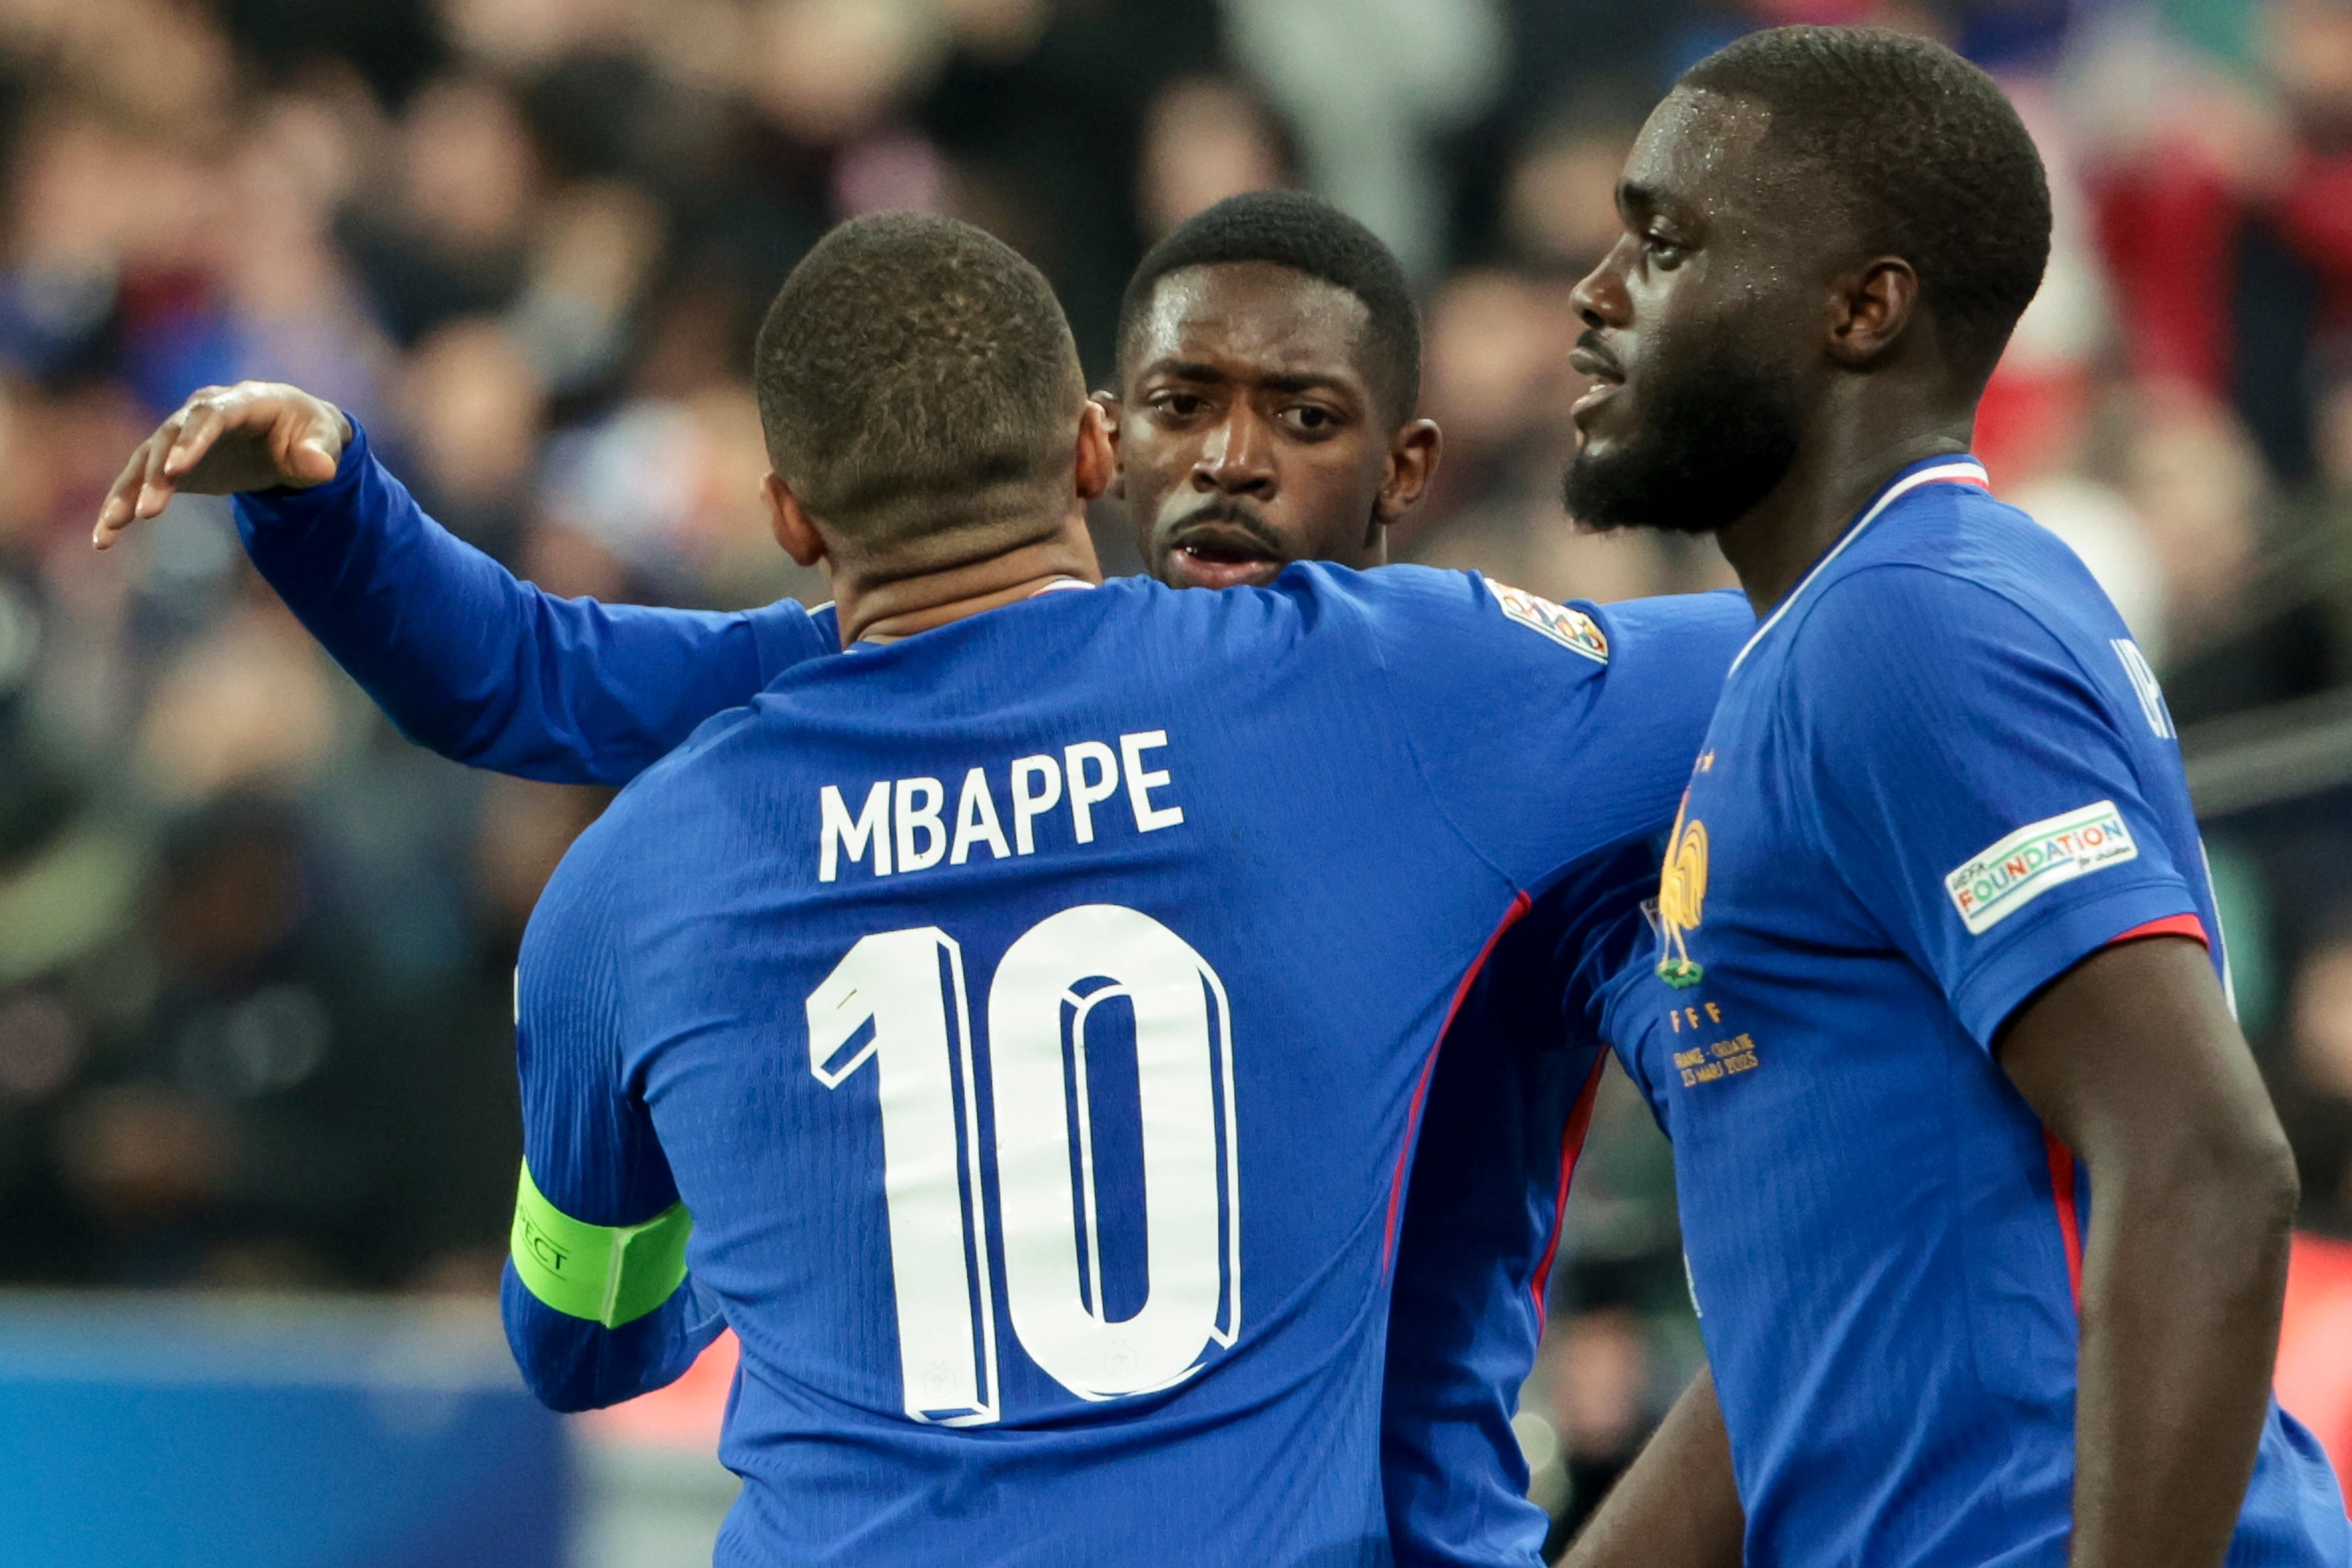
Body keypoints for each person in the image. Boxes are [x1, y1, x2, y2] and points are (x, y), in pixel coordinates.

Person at [98, 211, 1748, 1563]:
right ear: (1099, 443)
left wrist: (776, 1195)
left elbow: (581, 1328)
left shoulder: (632, 881)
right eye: (1187, 406)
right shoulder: (1406, 688)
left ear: (791, 516)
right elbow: (1820, 642)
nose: (1231, 463)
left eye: (1301, 417)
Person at [1550, 28, 2351, 1568]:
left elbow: (2204, 1159)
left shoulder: (1916, 627)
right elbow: (1823, 1318)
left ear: (1863, 307)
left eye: (1664, 242)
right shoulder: (1827, 648)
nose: (1596, 293)